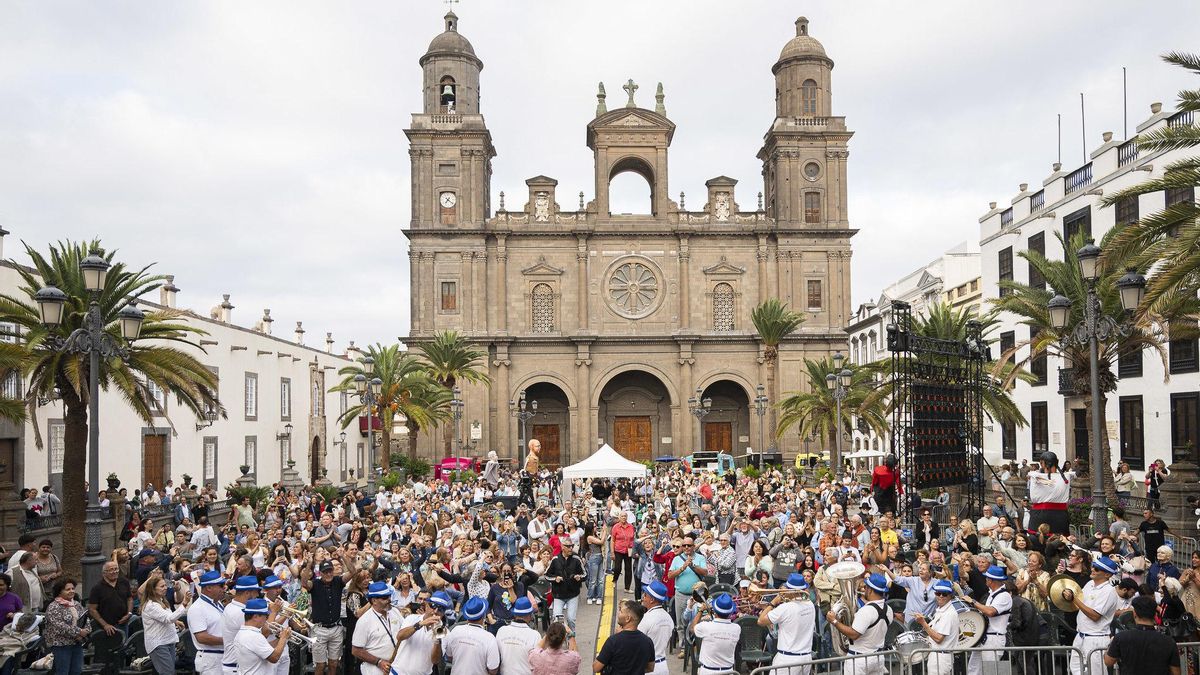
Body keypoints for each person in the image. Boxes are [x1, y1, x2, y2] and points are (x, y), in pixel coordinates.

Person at [1058, 556, 1120, 675]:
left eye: (1097, 569)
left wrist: (1074, 599)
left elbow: (1095, 616)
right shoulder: (1089, 584)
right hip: (1080, 636)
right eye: (1093, 566)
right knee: (1076, 671)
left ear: (1107, 575)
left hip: (1096, 639)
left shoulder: (1108, 591)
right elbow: (1079, 604)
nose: (1092, 569)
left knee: (1096, 673)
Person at [827, 573, 890, 675]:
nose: (864, 589)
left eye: (866, 587)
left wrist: (834, 621)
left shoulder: (866, 611)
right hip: (878, 656)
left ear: (870, 590)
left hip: (859, 659)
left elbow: (854, 634)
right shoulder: (889, 609)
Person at [1104, 595, 1179, 675]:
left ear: (1134, 614)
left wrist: (1109, 646)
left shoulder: (1121, 637)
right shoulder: (1168, 641)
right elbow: (1176, 672)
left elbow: (1108, 662)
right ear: (1154, 615)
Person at [758, 573, 816, 675]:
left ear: (790, 590)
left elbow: (760, 621)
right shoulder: (810, 605)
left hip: (788, 659)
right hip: (806, 657)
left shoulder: (785, 608)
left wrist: (773, 602)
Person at [352, 581, 415, 675]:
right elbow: (356, 651)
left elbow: (404, 632)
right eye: (385, 597)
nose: (389, 599)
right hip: (375, 668)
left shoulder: (395, 612)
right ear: (374, 601)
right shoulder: (364, 621)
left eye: (389, 596)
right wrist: (378, 662)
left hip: (396, 666)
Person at [305, 557, 353, 675]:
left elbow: (353, 572)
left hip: (336, 628)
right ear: (320, 573)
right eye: (325, 572)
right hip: (320, 629)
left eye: (330, 571)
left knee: (334, 664)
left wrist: (344, 557)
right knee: (320, 665)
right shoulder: (315, 584)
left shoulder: (338, 581)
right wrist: (309, 564)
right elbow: (304, 583)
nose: (328, 574)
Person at [962, 565, 1011, 675]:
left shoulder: (1004, 595)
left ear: (992, 580)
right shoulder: (991, 594)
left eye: (987, 578)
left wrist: (973, 602)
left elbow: (990, 612)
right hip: (983, 637)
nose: (986, 579)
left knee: (990, 671)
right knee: (973, 670)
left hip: (994, 638)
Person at [139, 573, 191, 675]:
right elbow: (168, 618)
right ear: (153, 590)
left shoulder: (162, 600)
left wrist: (176, 621)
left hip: (168, 640)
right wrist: (184, 604)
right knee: (167, 672)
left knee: (170, 671)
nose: (165, 588)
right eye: (162, 586)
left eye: (165, 585)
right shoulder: (151, 605)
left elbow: (165, 617)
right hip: (158, 643)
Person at [668, 536, 710, 648]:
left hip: (696, 596)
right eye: (684, 545)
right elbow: (670, 575)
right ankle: (683, 646)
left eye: (689, 545)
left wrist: (693, 566)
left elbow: (705, 573)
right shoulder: (677, 559)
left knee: (697, 620)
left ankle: (695, 645)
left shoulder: (700, 558)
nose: (686, 547)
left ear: (694, 546)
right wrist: (682, 567)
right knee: (681, 623)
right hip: (680, 594)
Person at [593, 600, 654, 675]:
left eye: (621, 612)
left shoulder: (613, 641)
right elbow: (650, 667)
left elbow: (596, 667)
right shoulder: (647, 641)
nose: (618, 613)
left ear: (628, 618)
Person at [443, 597, 500, 675]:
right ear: (483, 615)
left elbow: (449, 656)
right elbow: (493, 670)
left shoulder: (456, 630)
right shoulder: (489, 638)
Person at [43, 578, 89, 675]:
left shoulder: (76, 604)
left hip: (77, 644)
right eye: (68, 589)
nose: (72, 591)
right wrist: (79, 631)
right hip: (61, 646)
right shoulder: (54, 607)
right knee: (62, 672)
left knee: (76, 671)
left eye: (73, 588)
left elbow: (86, 619)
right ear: (59, 592)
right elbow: (60, 626)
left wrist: (85, 631)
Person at [914, 579, 959, 675]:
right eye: (938, 593)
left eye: (944, 594)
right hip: (938, 656)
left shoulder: (948, 614)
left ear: (950, 595)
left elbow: (939, 639)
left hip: (941, 658)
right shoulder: (942, 610)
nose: (941, 596)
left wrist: (923, 623)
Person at [234, 598, 289, 675]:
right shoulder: (253, 636)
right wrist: (283, 638)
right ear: (255, 616)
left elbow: (263, 649)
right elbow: (275, 657)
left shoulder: (243, 632)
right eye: (266, 616)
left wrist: (279, 639)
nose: (267, 619)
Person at [188, 571, 228, 675]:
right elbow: (201, 637)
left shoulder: (217, 603)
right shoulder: (197, 608)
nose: (224, 588)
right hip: (211, 660)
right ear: (209, 588)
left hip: (222, 656)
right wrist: (228, 640)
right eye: (220, 585)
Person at [691, 593, 742, 675]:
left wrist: (701, 610)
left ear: (715, 611)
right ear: (730, 613)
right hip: (729, 671)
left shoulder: (705, 626)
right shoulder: (737, 628)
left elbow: (692, 628)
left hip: (708, 671)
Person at [221, 576, 261, 675]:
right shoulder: (239, 612)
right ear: (247, 593)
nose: (257, 595)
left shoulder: (232, 606)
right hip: (236, 667)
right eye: (255, 591)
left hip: (236, 666)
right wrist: (273, 613)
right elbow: (263, 635)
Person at [1026, 451, 1070, 536]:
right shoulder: (1066, 476)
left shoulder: (1035, 475)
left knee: (1037, 539)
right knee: (1060, 541)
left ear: (1043, 464)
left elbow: (1030, 475)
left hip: (1040, 514)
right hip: (1060, 514)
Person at [546, 538, 585, 631]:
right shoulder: (555, 559)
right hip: (558, 595)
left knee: (571, 619)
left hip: (573, 594)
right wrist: (555, 579)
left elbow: (585, 574)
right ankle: (558, 639)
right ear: (562, 547)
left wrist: (579, 577)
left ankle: (572, 639)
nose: (571, 548)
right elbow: (547, 575)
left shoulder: (576, 559)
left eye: (571, 546)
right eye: (568, 546)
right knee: (556, 619)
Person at [637, 581, 673, 675]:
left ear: (652, 600)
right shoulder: (669, 618)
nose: (643, 597)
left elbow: (637, 644)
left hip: (648, 668)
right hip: (663, 666)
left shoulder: (646, 619)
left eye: (645, 595)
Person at [496, 597, 540, 675]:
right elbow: (538, 662)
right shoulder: (535, 635)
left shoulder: (501, 630)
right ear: (529, 615)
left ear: (515, 614)